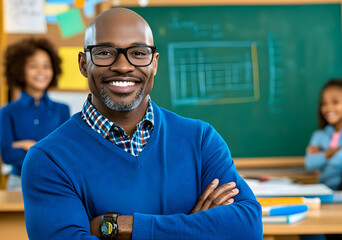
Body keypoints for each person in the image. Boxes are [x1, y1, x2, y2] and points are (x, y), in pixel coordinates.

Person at [21, 8, 262, 240]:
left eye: (138, 53)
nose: (123, 66)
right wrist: (192, 230)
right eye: (105, 52)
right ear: (84, 64)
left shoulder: (200, 140)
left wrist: (119, 226)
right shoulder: (48, 160)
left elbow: (248, 228)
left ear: (154, 63)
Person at [0, 38, 70, 190]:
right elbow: (7, 156)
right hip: (18, 182)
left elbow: (65, 154)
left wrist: (27, 145)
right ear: (19, 69)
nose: (41, 72)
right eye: (33, 66)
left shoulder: (62, 110)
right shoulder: (7, 111)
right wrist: (46, 151)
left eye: (46, 66)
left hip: (55, 183)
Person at [305, 78, 342, 190]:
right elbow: (309, 164)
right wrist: (332, 152)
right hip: (323, 191)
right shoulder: (319, 135)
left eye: (335, 102)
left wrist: (322, 155)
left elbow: (340, 160)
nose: (328, 108)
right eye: (324, 103)